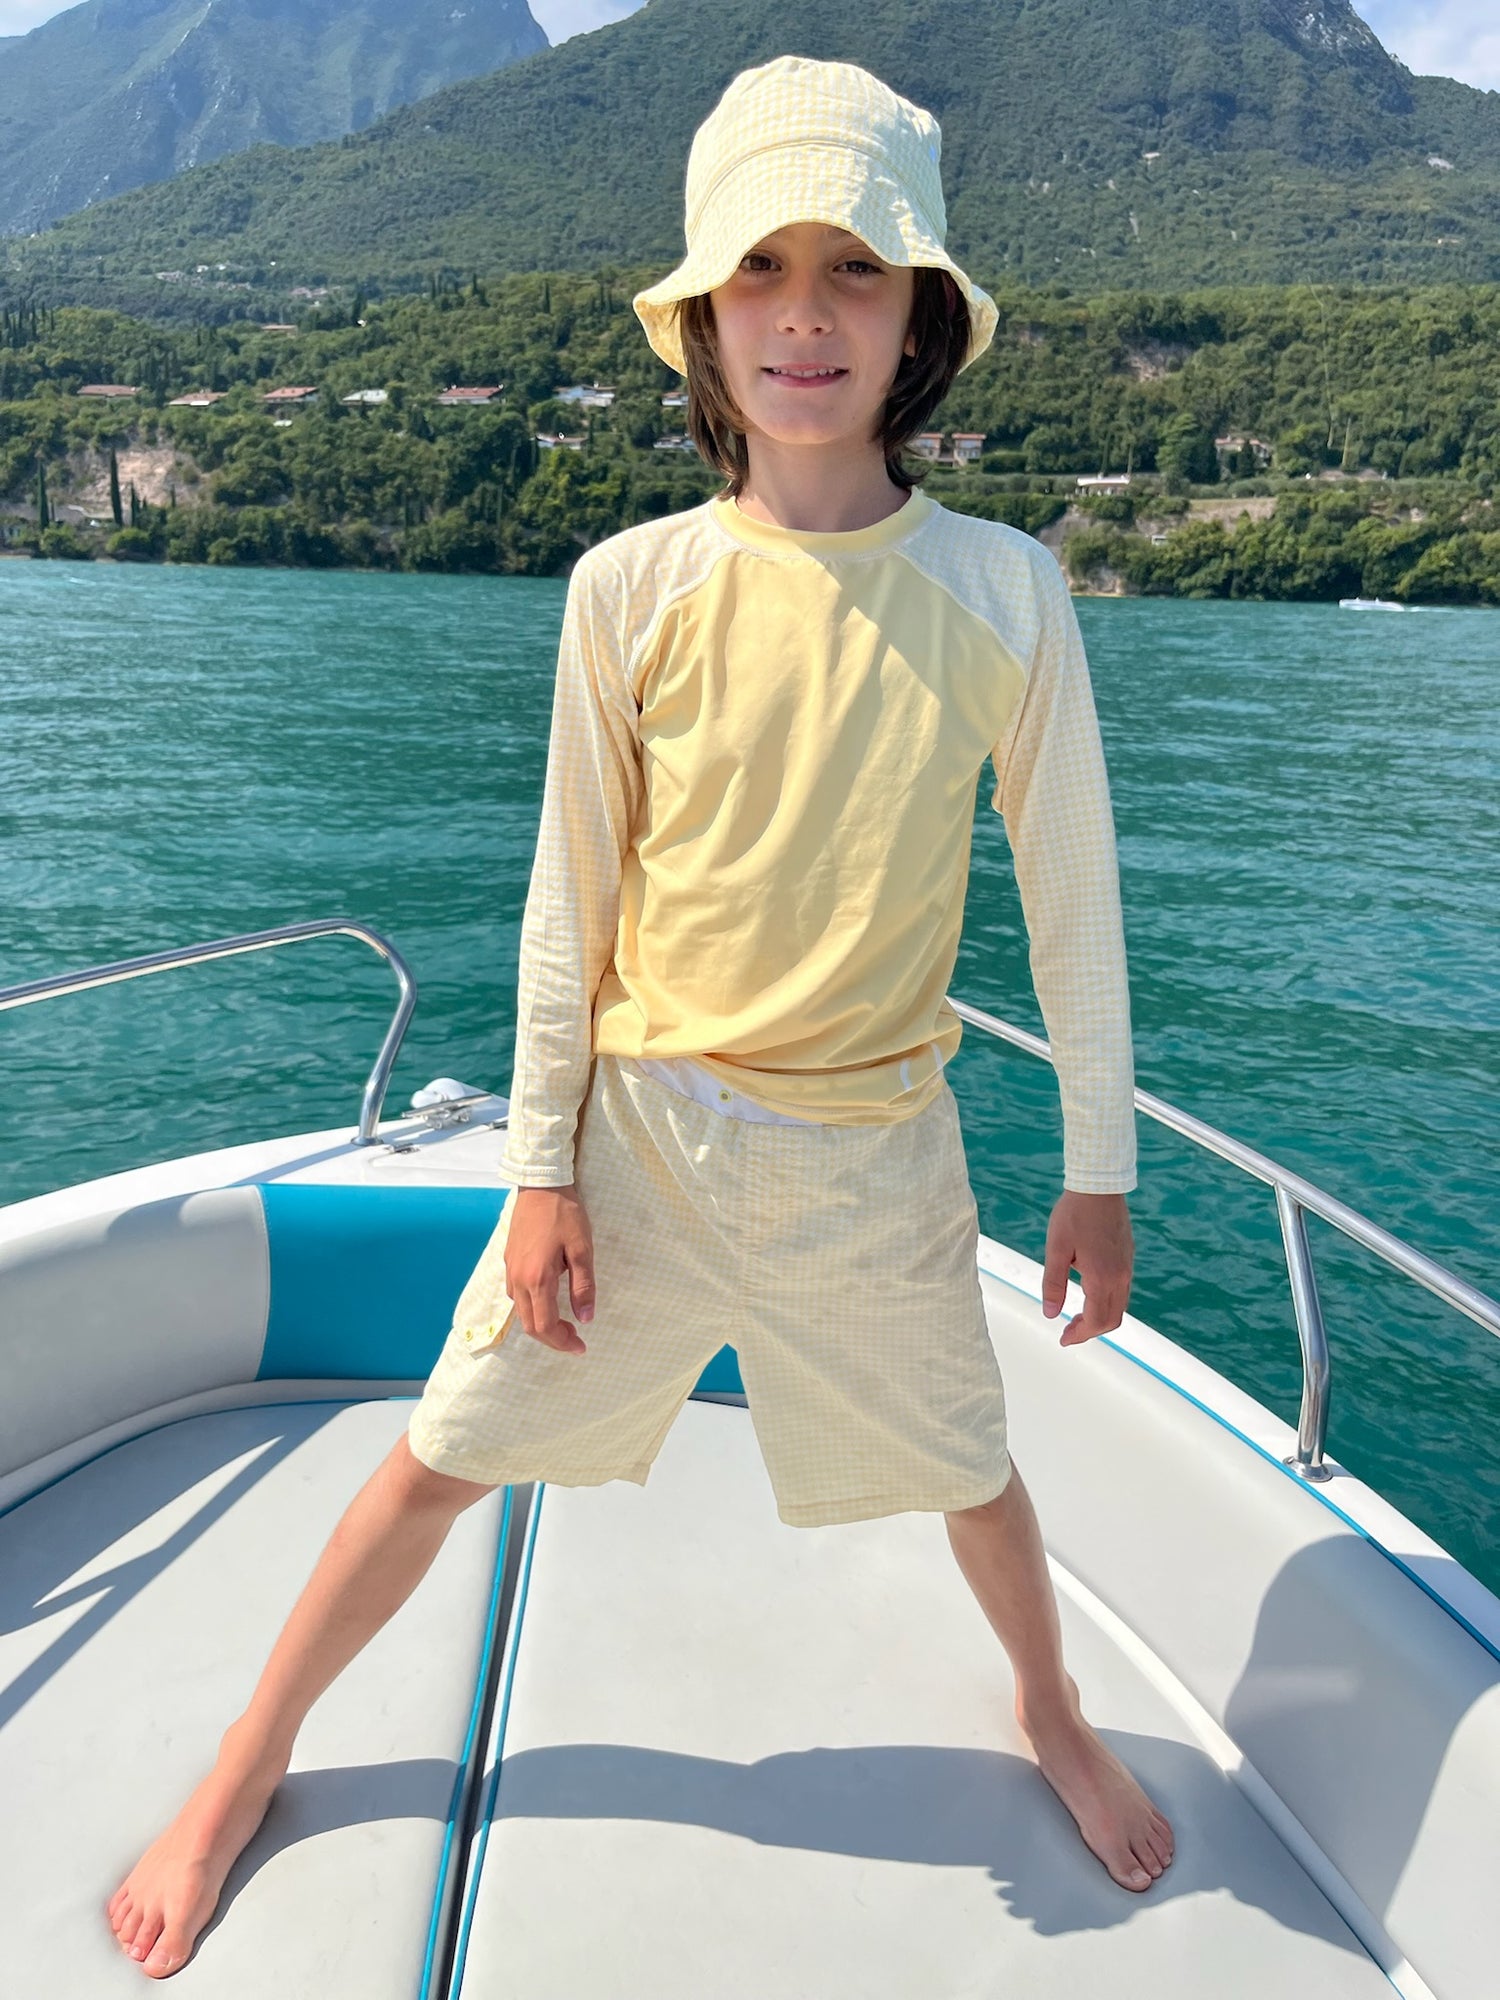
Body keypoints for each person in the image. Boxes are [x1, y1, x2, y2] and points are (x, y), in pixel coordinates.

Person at [106, 52, 1173, 1979]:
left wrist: (1097, 1170)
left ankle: (1049, 1708)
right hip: (644, 1147)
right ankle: (249, 1754)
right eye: (760, 267)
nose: (804, 312)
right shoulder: (633, 587)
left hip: (879, 1156)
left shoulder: (1007, 593)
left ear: (919, 316)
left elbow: (1074, 905)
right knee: (442, 1451)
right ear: (702, 319)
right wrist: (540, 1170)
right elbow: (569, 910)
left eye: (853, 268)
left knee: (974, 1468)